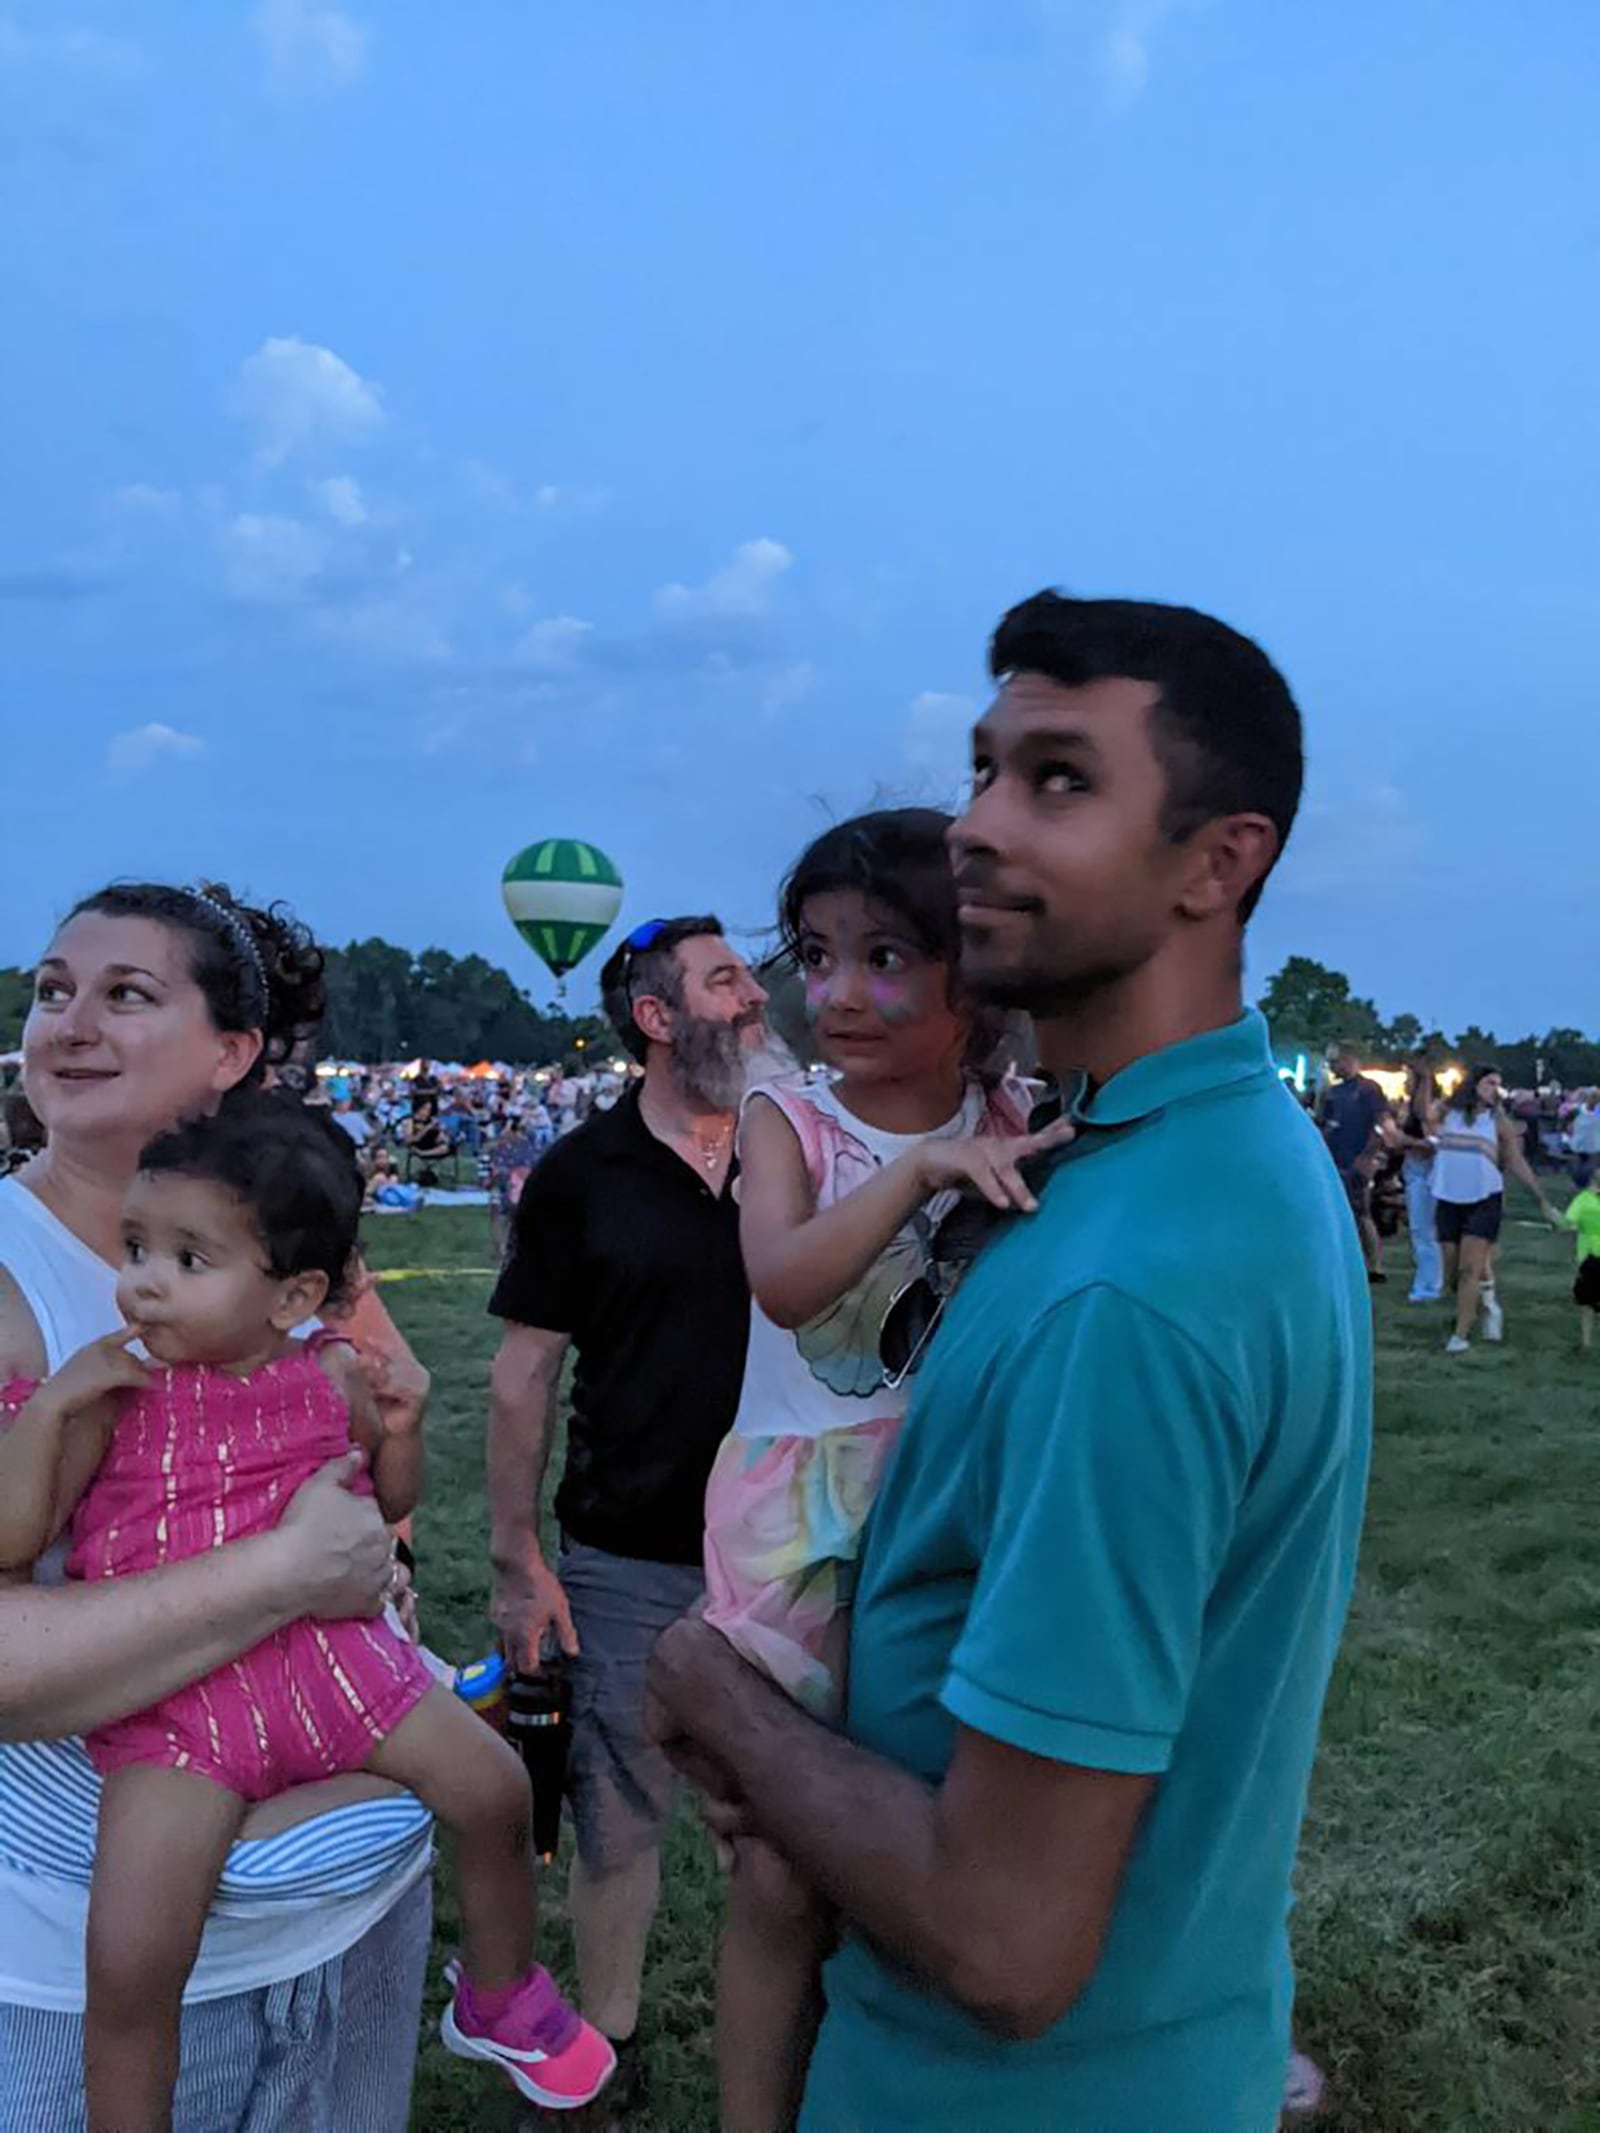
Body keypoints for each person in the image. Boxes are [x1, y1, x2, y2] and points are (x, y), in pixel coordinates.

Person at [648, 590, 1372, 2131]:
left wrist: (714, 1692)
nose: (978, 825)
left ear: (1219, 861)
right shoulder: (1186, 1148)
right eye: (980, 771)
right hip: (1165, 2040)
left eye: (1058, 780)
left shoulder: (1129, 1284)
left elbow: (1006, 1939)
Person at [0, 1093, 613, 2125]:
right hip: (179, 1707)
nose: (143, 1282)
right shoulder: (113, 1390)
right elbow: (15, 1539)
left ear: (296, 1295)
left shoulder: (331, 1371)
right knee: (134, 1952)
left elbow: (389, 1502)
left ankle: (500, 1994)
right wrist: (55, 1403)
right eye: (136, 1246)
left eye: (188, 1261)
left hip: (333, 1669)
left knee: (496, 1787)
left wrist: (404, 1430)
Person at [0, 880, 432, 2133]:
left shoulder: (289, 1257)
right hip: (80, 1958)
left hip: (343, 1922)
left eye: (126, 994)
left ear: (232, 1053)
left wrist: (374, 1543)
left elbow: (367, 1483)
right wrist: (290, 1572)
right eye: (51, 991)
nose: (71, 1023)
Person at [702, 809, 1064, 2131]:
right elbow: (787, 1281)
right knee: (785, 1862)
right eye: (816, 953)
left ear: (973, 976)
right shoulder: (787, 1115)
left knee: (917, 1817)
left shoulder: (1015, 1112)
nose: (840, 992)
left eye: (888, 956)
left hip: (946, 1498)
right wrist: (917, 1168)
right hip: (805, 1514)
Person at [485, 917, 769, 2106]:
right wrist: (515, 1562)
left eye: (752, 974)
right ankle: (607, 2045)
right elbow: (520, 1375)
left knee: (784, 1808)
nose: (756, 997)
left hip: (788, 1549)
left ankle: (804, 2028)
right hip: (630, 1548)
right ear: (658, 1018)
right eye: (726, 981)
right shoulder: (582, 1177)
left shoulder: (799, 1152)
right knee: (616, 1808)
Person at [1432, 1065, 1562, 1354]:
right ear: (1474, 1085)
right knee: (1451, 1272)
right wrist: (1420, 1079)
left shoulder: (1497, 1120)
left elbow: (1516, 1162)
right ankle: (1486, 1302)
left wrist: (1541, 1199)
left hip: (1484, 1198)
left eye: (1498, 1084)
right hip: (1448, 1197)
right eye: (1490, 1083)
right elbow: (1423, 1117)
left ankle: (1461, 1334)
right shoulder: (1446, 1112)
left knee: (1469, 1269)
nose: (1495, 1089)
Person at [1318, 1042, 1392, 1282]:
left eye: (1335, 1062)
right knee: (1336, 1212)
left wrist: (1369, 1157)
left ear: (1349, 1060)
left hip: (1358, 1158)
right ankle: (1344, 1262)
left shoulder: (1368, 1089)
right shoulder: (1333, 1092)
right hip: (1335, 1159)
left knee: (1362, 1212)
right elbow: (1325, 1123)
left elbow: (1380, 1124)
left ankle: (1376, 1266)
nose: (1332, 1067)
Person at [1398, 1056, 1444, 1304]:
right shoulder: (1407, 1107)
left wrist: (1404, 1141)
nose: (1404, 1082)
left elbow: (1432, 1140)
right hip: (1413, 1168)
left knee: (1425, 1230)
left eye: (1408, 1078)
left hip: (1427, 1170)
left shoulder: (1432, 1108)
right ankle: (1428, 1280)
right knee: (1419, 1230)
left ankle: (1429, 1285)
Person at [1562, 1170, 1600, 1351]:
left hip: (1590, 1257)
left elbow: (1567, 1222)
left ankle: (1586, 1341)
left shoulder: (1583, 1200)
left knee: (1587, 1302)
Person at [1569, 1090, 1600, 1189]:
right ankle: (1576, 1184)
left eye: (1597, 1098)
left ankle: (1587, 1185)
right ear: (1587, 1098)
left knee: (1589, 1169)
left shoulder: (1598, 1112)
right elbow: (1568, 1121)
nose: (1594, 1100)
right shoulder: (1577, 1110)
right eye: (1593, 1097)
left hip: (1594, 1146)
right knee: (1575, 1169)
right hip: (1578, 1145)